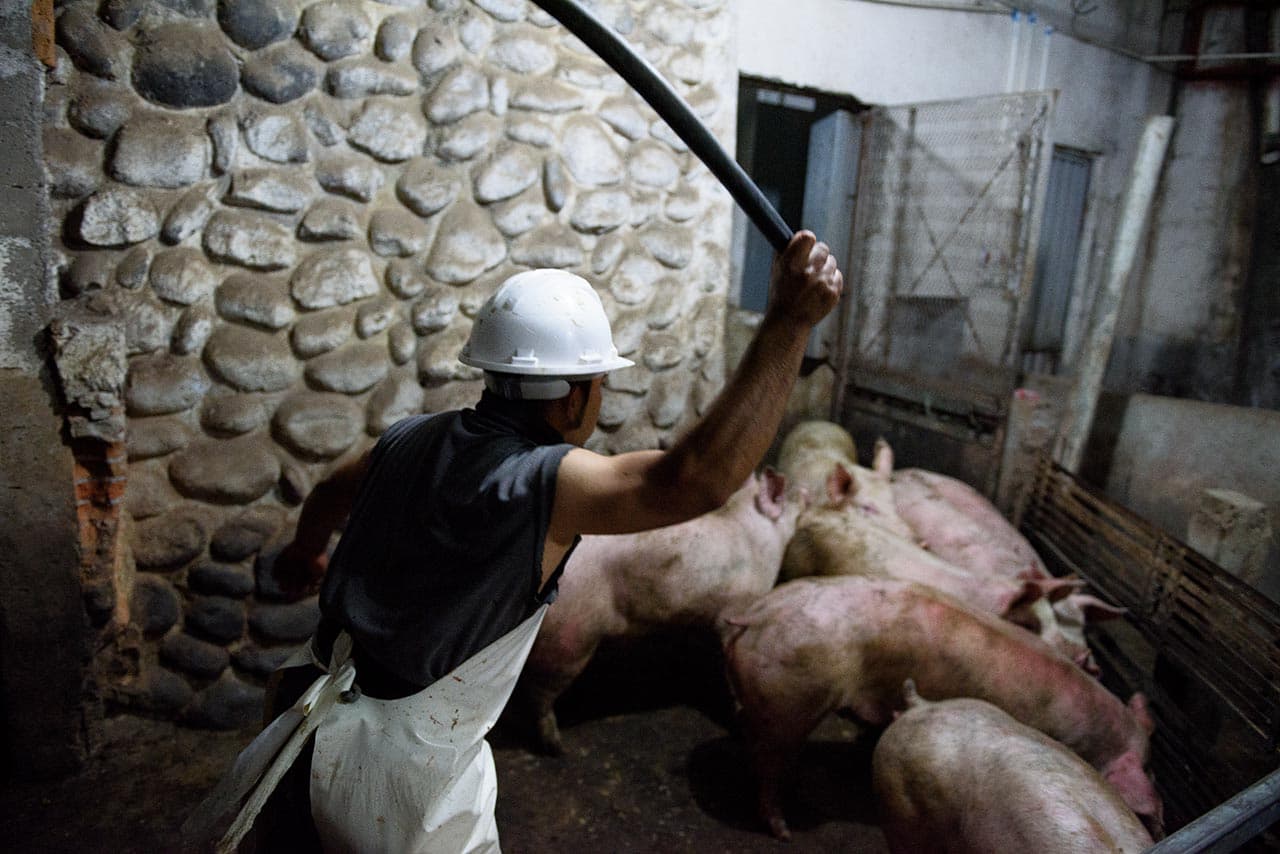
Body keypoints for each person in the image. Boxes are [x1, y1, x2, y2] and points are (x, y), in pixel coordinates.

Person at [196, 230, 842, 852]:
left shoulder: (404, 437)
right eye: (598, 386)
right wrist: (789, 321)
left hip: (300, 712)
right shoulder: (547, 479)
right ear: (574, 399)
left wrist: (306, 552)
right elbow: (694, 479)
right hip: (396, 768)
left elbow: (331, 495)